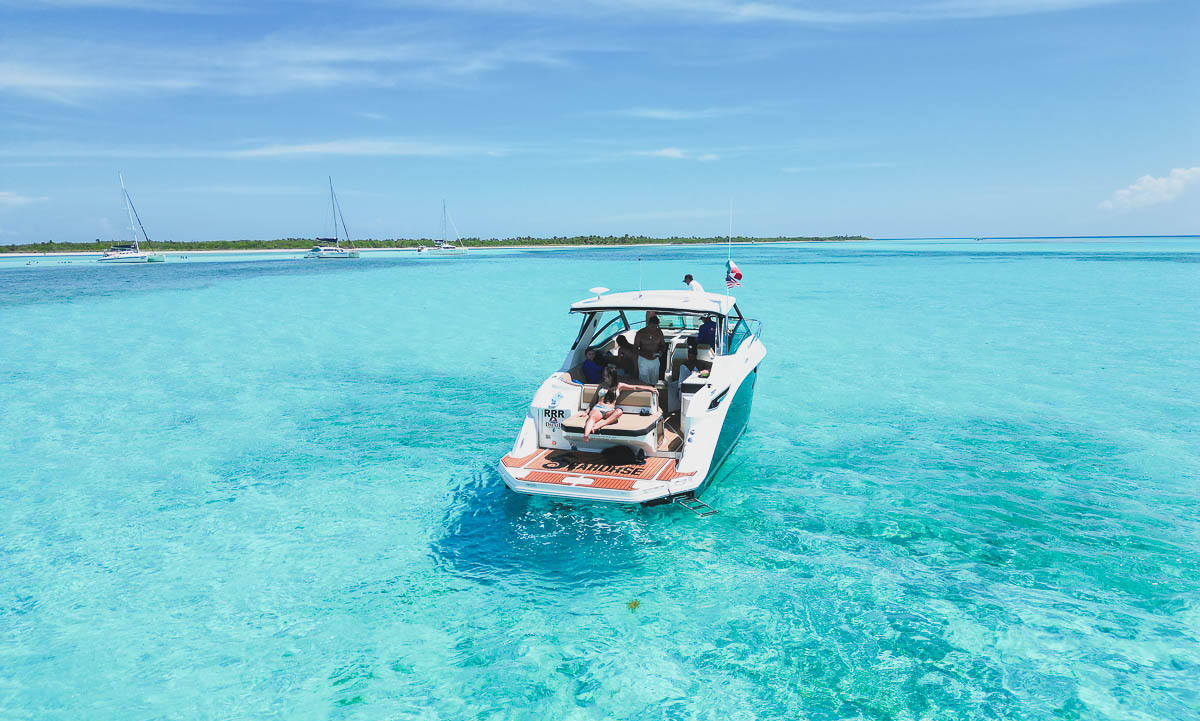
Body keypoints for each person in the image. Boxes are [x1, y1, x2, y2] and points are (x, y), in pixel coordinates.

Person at [583, 368, 658, 441]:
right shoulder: (601, 385)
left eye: (606, 376)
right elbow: (594, 399)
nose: (604, 377)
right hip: (598, 408)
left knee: (619, 411)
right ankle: (586, 435)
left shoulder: (619, 385)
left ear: (612, 376)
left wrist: (649, 388)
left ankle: (600, 425)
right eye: (604, 375)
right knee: (591, 417)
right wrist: (587, 411)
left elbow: (635, 387)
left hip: (609, 411)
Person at [633, 311, 665, 384]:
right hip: (643, 360)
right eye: (652, 326)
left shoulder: (659, 332)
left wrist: (660, 352)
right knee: (644, 382)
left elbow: (663, 345)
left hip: (655, 360)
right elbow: (635, 348)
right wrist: (646, 355)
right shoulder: (640, 333)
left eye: (655, 326)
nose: (654, 328)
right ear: (648, 324)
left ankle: (653, 394)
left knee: (654, 381)